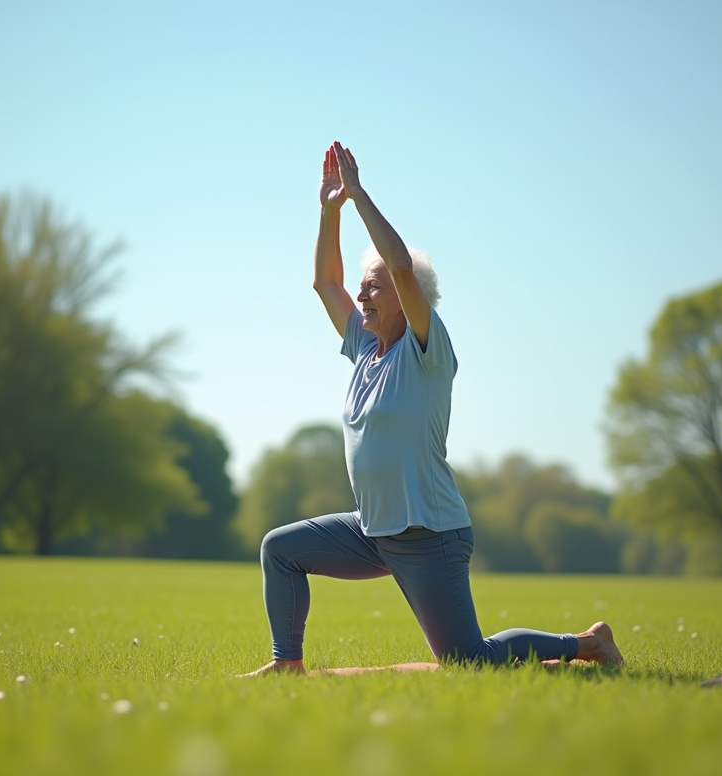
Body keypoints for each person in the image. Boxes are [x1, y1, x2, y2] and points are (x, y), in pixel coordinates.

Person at [241, 142, 624, 677]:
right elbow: (324, 283)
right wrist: (330, 211)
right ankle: (287, 663)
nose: (361, 293)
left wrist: (360, 195)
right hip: (372, 531)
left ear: (404, 296)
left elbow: (398, 265)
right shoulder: (362, 347)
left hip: (429, 535)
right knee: (280, 550)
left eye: (372, 287)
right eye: (362, 286)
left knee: (468, 660)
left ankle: (586, 644)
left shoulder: (426, 349)